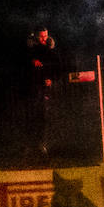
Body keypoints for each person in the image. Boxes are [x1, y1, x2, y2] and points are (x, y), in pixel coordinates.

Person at [23, 28, 61, 160]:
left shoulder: (51, 50)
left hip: (45, 89)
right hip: (32, 88)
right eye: (41, 37)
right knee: (31, 116)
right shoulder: (30, 50)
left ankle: (42, 144)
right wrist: (32, 62)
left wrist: (52, 79)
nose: (44, 39)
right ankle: (30, 144)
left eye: (45, 36)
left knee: (44, 117)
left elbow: (57, 67)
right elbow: (23, 66)